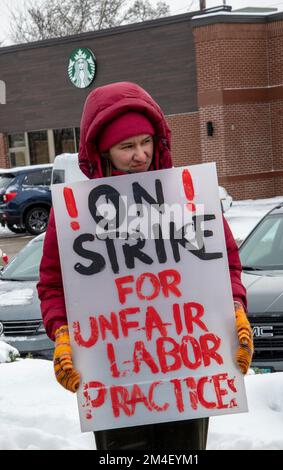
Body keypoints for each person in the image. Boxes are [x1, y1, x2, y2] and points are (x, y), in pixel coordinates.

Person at [37, 81, 253, 451]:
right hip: (113, 379)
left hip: (188, 374)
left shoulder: (188, 198)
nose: (140, 155)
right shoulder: (74, 215)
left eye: (146, 142)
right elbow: (53, 285)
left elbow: (226, 265)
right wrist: (61, 333)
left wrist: (235, 309)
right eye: (126, 147)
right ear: (102, 151)